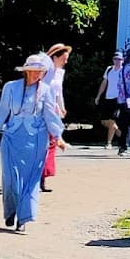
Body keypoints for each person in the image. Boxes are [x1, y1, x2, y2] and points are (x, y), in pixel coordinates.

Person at [0, 52, 65, 232]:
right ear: (26, 71)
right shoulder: (10, 88)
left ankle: (24, 217)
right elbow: (2, 110)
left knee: (31, 180)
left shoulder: (46, 90)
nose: (38, 75)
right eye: (34, 71)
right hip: (12, 138)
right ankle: (11, 211)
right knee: (10, 178)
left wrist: (58, 137)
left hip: (35, 141)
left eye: (41, 72)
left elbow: (50, 115)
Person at [41, 43, 71, 191]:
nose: (66, 61)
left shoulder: (60, 73)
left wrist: (61, 106)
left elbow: (59, 92)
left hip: (53, 108)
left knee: (51, 142)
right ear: (55, 57)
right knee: (42, 142)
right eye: (64, 58)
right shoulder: (44, 71)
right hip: (41, 108)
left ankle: (43, 177)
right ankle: (36, 175)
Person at [94, 51, 124, 148]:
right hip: (108, 97)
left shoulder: (123, 71)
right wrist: (98, 96)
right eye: (115, 59)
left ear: (122, 60)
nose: (117, 61)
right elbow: (104, 82)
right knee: (104, 121)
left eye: (119, 59)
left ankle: (109, 143)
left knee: (112, 120)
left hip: (118, 98)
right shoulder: (109, 69)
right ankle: (121, 135)